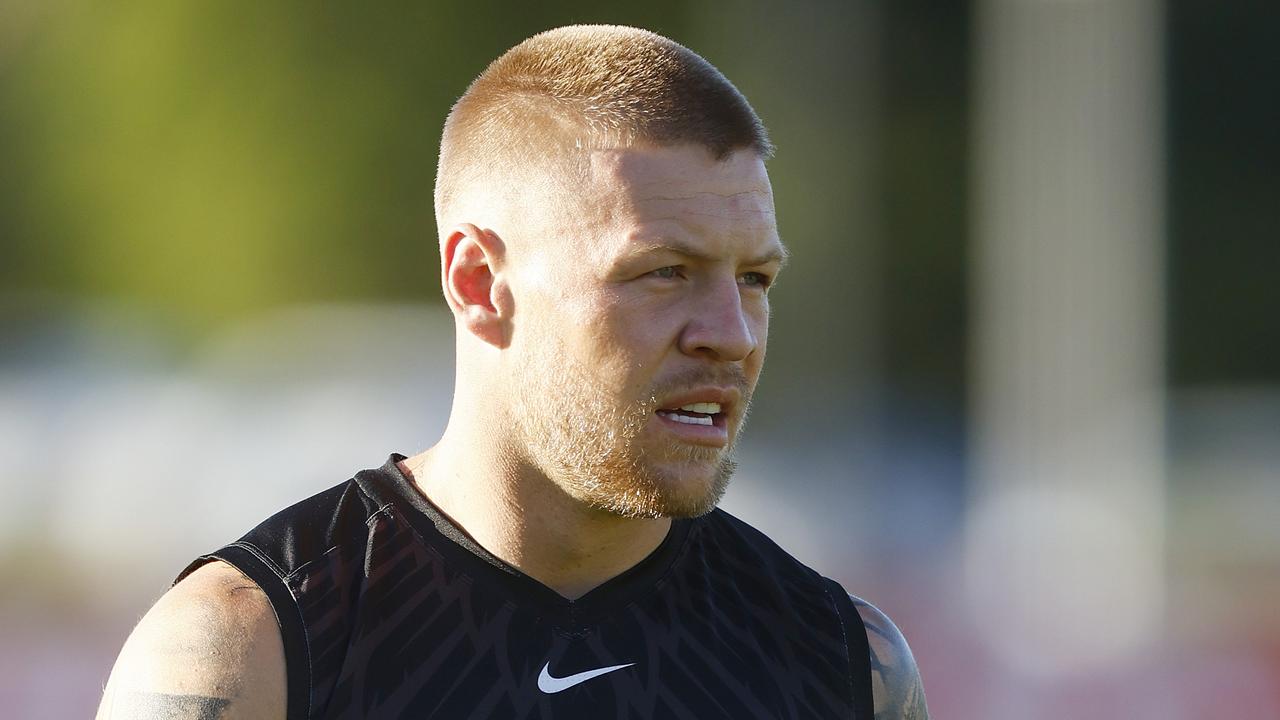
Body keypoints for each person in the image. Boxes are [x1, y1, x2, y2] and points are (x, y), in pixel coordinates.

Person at [97, 24, 928, 719]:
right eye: (664, 272)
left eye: (755, 279)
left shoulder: (839, 664)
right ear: (479, 283)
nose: (732, 334)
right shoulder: (252, 653)